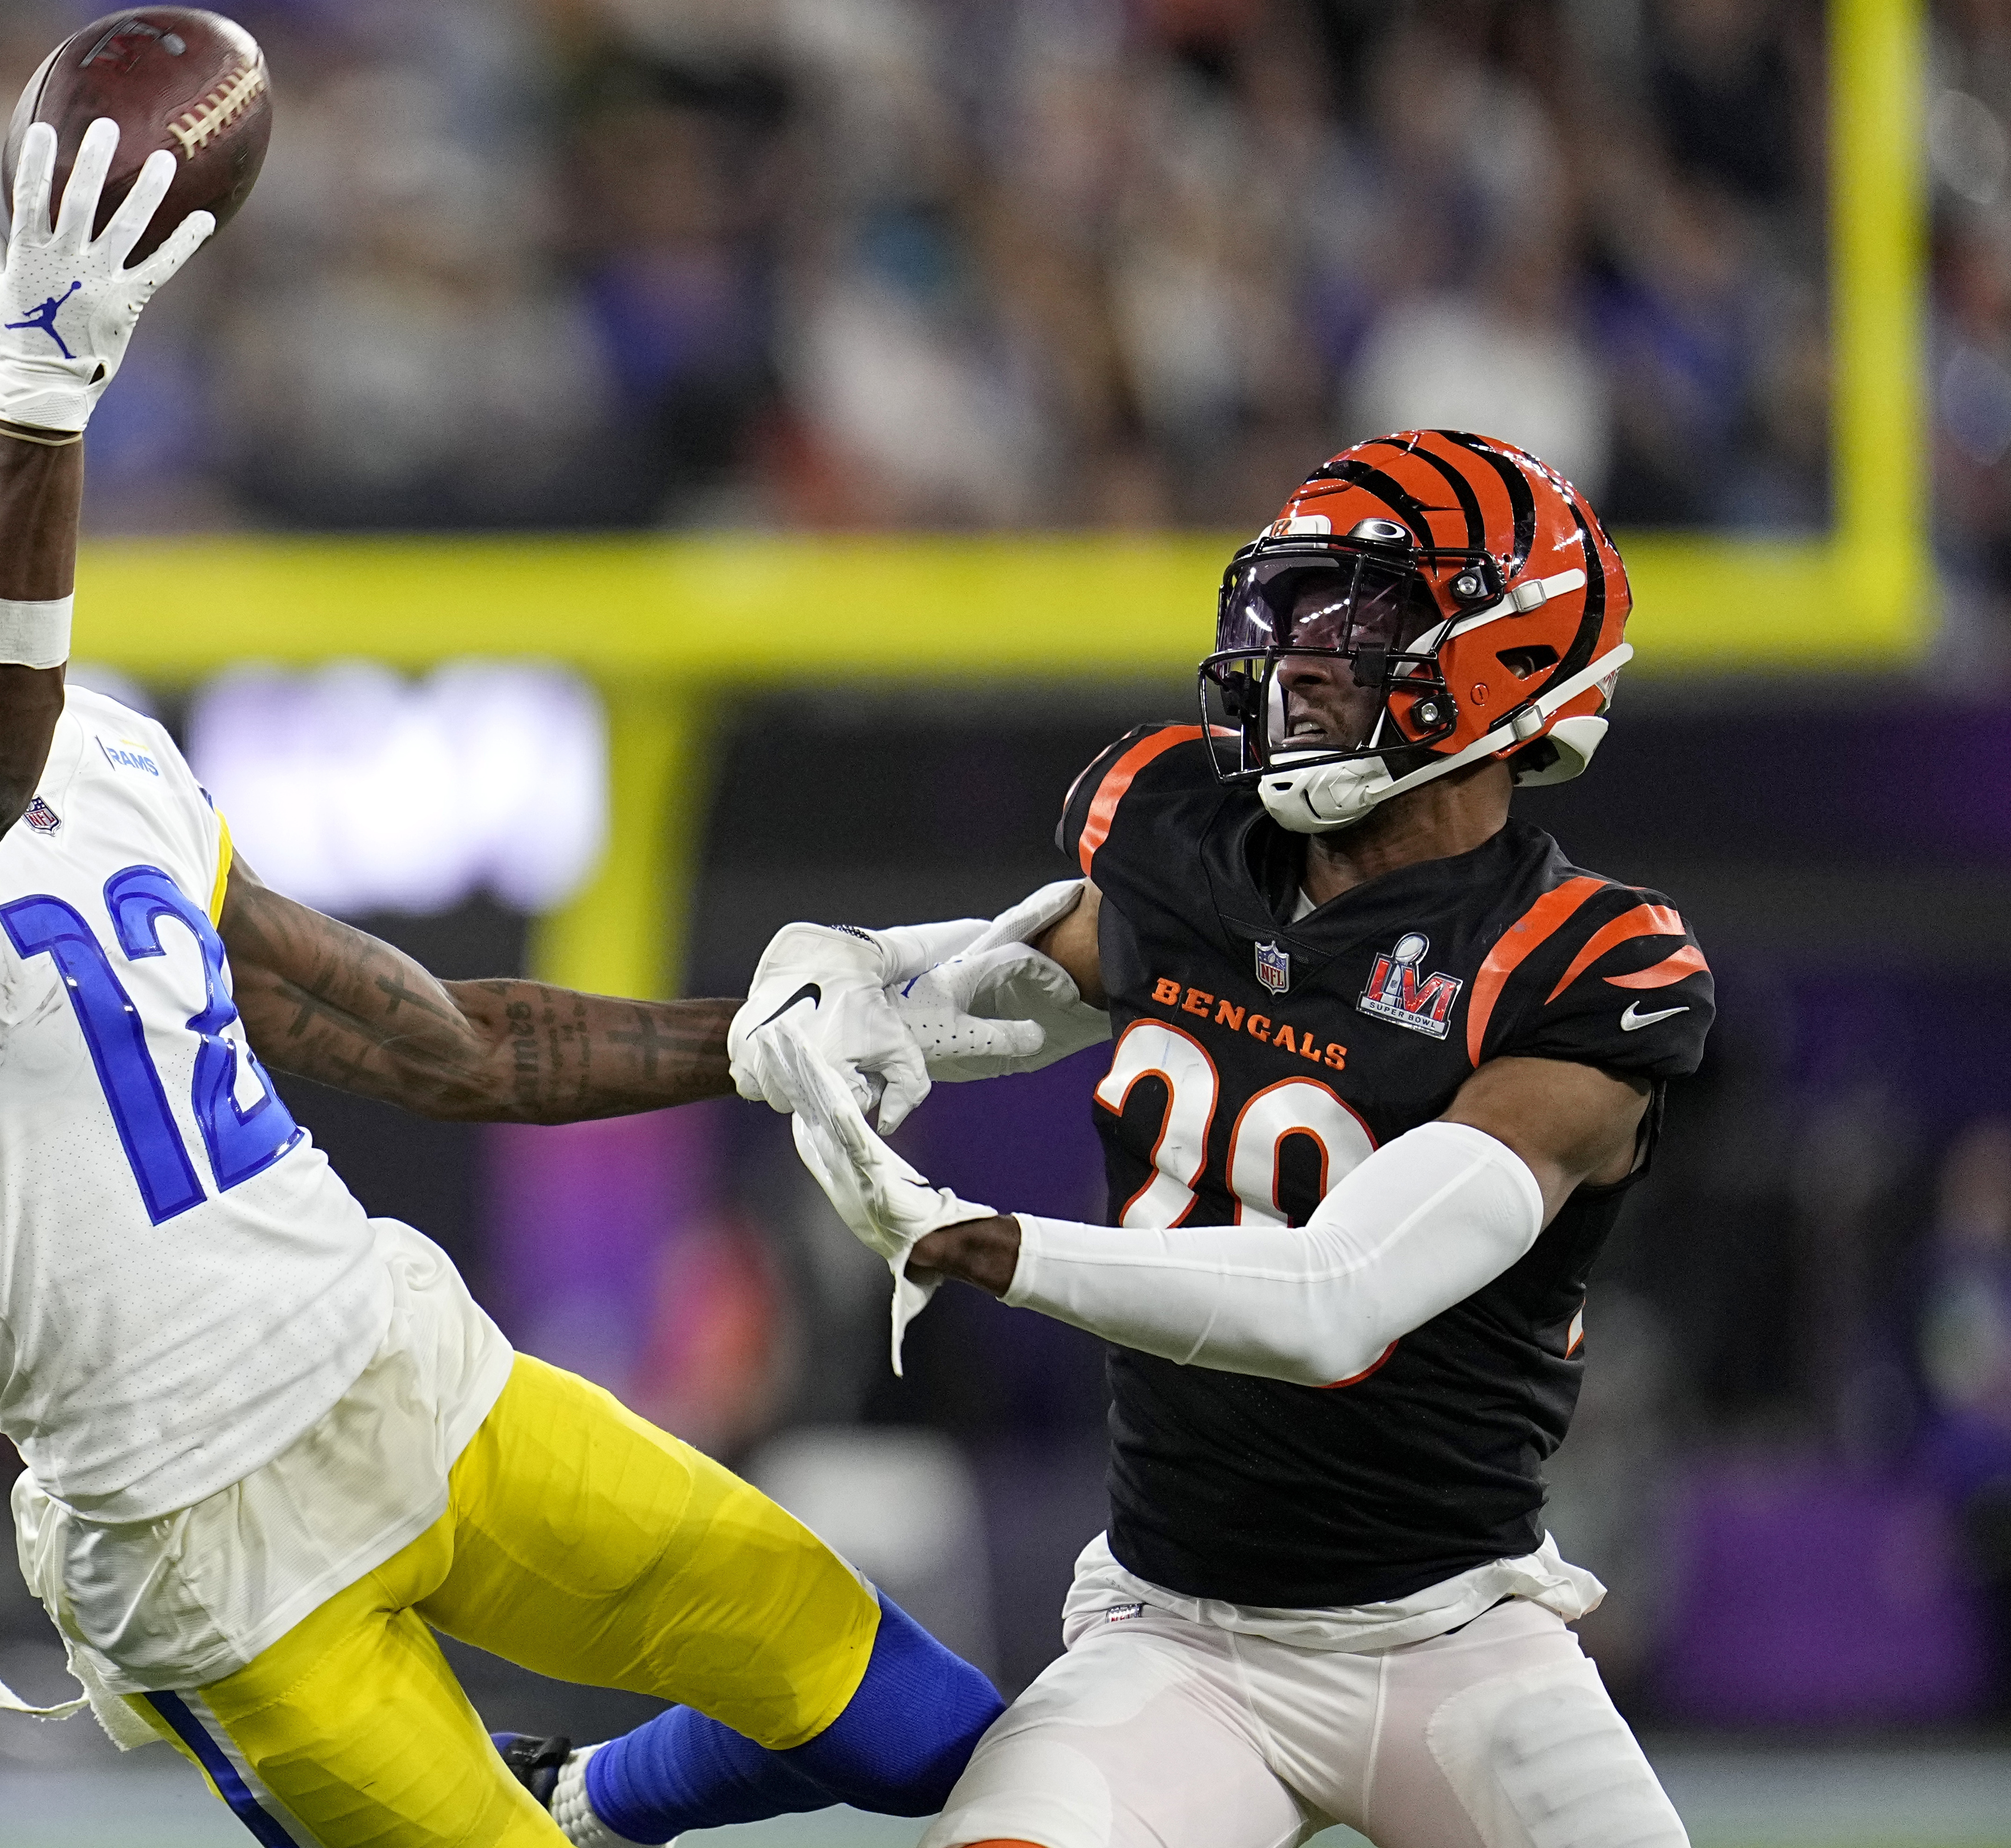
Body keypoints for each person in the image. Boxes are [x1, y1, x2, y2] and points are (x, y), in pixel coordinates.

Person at [0, 119, 999, 1848]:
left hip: (412, 1367)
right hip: (194, 1530)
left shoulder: (92, 744)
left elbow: (446, 1042)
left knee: (928, 1729)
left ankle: (599, 1801)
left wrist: (756, 1048)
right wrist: (47, 418)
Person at [730, 430, 1709, 1848]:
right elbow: (983, 992)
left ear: (1505, 663)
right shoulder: (1190, 839)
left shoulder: (1576, 959)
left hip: (1458, 1643)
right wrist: (837, 969)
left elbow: (1335, 1300)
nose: (1300, 659)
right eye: (1290, 611)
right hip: (1175, 1635)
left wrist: (973, 1242)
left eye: (1358, 622)